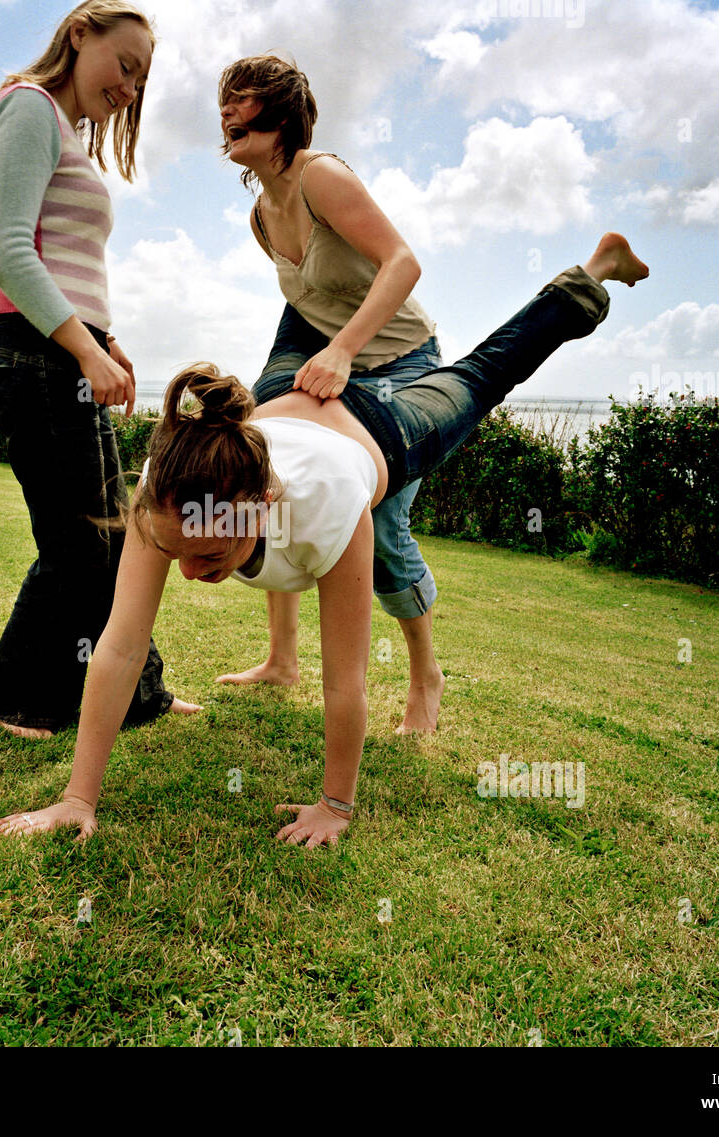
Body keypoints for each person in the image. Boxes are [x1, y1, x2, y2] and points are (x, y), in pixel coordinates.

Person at [0, 233, 649, 848]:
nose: (188, 572)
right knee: (305, 292)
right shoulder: (165, 500)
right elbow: (119, 647)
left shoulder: (328, 512)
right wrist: (78, 798)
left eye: (210, 556)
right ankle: (301, 228)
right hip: (286, 394)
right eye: (180, 551)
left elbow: (345, 681)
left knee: (486, 371)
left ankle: (592, 273)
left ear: (263, 507)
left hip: (379, 429)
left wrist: (335, 805)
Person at [0, 1, 198, 739]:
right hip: (35, 360)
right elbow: (8, 250)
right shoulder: (28, 108)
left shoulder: (63, 131)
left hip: (64, 352)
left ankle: (142, 694)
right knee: (76, 544)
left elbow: (62, 258)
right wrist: (83, 346)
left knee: (114, 535)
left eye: (142, 80)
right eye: (124, 65)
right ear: (80, 34)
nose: (130, 88)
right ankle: (17, 694)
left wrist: (107, 340)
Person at [211, 55, 450, 735]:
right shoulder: (262, 213)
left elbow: (403, 263)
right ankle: (282, 659)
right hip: (336, 362)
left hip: (406, 365)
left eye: (242, 101)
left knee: (381, 531)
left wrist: (344, 351)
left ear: (281, 117)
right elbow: (310, 300)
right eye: (223, 102)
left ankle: (425, 676)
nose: (227, 114)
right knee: (267, 475)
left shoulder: (323, 177)